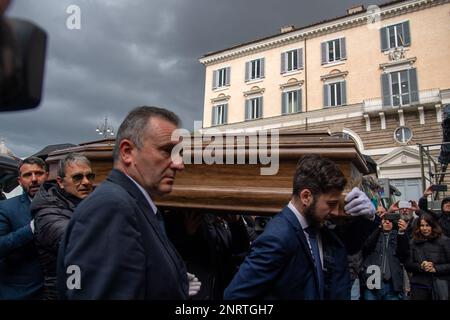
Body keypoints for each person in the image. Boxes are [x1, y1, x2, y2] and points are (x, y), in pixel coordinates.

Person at [57, 106, 195, 299]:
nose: (179, 164)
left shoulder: (133, 205)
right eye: (167, 151)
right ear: (127, 152)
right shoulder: (111, 207)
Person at [224, 154, 376, 300]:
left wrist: (368, 217)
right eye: (330, 204)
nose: (336, 212)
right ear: (306, 197)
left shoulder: (318, 226)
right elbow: (234, 296)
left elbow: (348, 246)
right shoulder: (278, 237)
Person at [31, 153, 94, 299]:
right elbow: (79, 241)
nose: (86, 182)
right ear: (60, 181)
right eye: (77, 177)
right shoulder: (46, 212)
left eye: (89, 176)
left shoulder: (91, 201)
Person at [165, 211, 251, 299]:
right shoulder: (183, 218)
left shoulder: (219, 222)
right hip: (195, 290)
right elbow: (172, 255)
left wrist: (236, 223)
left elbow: (240, 250)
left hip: (219, 290)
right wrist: (186, 234)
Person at [0, 157, 48, 299]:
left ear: (47, 176)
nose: (34, 179)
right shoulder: (6, 208)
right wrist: (31, 229)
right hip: (20, 293)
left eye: (38, 173)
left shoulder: (61, 203)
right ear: (20, 181)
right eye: (28, 175)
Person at [360, 216, 410, 300]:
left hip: (391, 284)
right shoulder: (374, 233)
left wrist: (402, 233)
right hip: (371, 281)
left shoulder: (399, 236)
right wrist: (379, 227)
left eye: (390, 220)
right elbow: (366, 247)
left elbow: (404, 254)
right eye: (385, 220)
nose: (387, 222)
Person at [405, 213, 450, 300]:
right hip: (419, 286)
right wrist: (421, 266)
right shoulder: (413, 242)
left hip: (441, 284)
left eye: (427, 225)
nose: (425, 228)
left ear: (433, 226)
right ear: (418, 227)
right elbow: (408, 264)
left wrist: (435, 268)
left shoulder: (445, 241)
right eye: (422, 225)